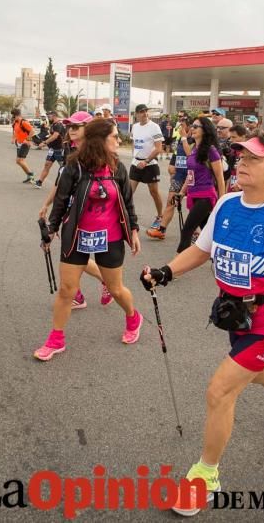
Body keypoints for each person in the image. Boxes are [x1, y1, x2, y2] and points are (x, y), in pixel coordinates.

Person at [141, 132, 264, 517]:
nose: (240, 163)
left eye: (253, 159)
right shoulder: (225, 204)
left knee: (220, 390)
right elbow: (201, 250)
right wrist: (166, 270)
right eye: (239, 156)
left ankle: (206, 476)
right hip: (232, 312)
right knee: (254, 371)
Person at [34, 118, 142, 361]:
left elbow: (127, 202)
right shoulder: (75, 166)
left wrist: (134, 230)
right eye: (114, 136)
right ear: (99, 140)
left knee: (115, 289)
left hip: (111, 237)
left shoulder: (118, 168)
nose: (119, 140)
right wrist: (51, 230)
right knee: (66, 290)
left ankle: (133, 317)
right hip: (77, 235)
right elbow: (61, 200)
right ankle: (56, 339)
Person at [38, 111, 113, 309]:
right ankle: (78, 293)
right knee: (74, 255)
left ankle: (104, 284)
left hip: (89, 217)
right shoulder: (68, 150)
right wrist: (47, 204)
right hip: (71, 215)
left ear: (88, 129)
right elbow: (61, 183)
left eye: (76, 127)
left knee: (76, 255)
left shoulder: (99, 155)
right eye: (69, 127)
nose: (70, 131)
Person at [176, 117, 225, 252]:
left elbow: (220, 178)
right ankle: (221, 253)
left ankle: (174, 267)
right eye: (192, 125)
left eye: (196, 126)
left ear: (205, 130)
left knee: (187, 230)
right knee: (208, 233)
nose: (192, 128)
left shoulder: (211, 151)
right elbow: (190, 174)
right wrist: (181, 192)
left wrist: (221, 200)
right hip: (193, 195)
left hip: (205, 197)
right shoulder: (194, 149)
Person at [146, 117, 193, 240]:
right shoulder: (179, 140)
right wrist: (171, 168)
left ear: (189, 127)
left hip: (192, 178)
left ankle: (197, 232)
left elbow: (190, 155)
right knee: (170, 203)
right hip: (178, 177)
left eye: (182, 125)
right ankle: (161, 230)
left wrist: (184, 139)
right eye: (179, 125)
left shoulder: (194, 140)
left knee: (193, 207)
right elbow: (177, 155)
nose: (180, 128)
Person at [129, 104, 164, 231]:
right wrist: (134, 158)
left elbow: (159, 148)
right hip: (136, 164)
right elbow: (134, 143)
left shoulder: (154, 127)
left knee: (153, 192)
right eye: (141, 112)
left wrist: (146, 160)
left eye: (145, 111)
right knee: (128, 192)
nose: (144, 113)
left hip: (150, 165)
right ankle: (127, 217)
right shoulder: (135, 127)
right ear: (136, 114)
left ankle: (160, 217)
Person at [32, 111, 66, 189]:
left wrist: (45, 143)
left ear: (54, 116)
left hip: (59, 149)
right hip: (52, 149)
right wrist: (41, 142)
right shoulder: (53, 125)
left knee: (63, 167)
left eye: (49, 116)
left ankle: (67, 185)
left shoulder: (58, 124)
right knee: (47, 165)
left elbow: (55, 136)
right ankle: (39, 182)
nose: (48, 117)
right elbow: (51, 135)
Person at [10, 108, 36, 183]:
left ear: (18, 115)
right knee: (20, 161)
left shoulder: (23, 122)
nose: (13, 118)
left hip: (25, 144)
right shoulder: (15, 123)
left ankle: (31, 174)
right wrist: (13, 138)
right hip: (19, 143)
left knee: (19, 160)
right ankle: (29, 176)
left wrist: (27, 139)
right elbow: (16, 132)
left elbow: (32, 131)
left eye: (14, 116)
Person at [227, 125, 247, 192]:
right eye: (230, 137)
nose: (231, 140)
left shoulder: (249, 153)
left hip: (245, 189)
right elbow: (230, 172)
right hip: (232, 188)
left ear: (243, 137)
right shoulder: (233, 151)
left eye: (234, 137)